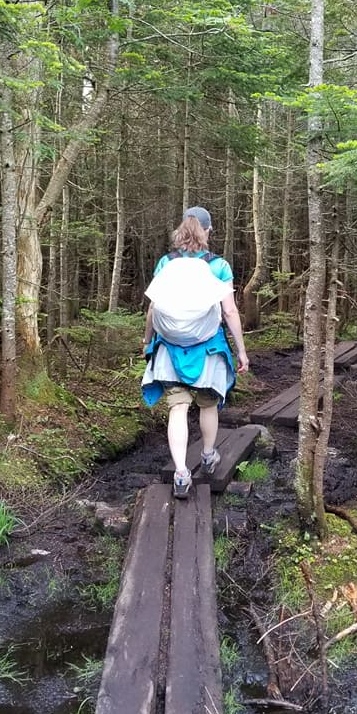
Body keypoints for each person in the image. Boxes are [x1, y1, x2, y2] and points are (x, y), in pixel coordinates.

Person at [141, 206, 249, 498]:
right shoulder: (218, 266)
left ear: (182, 229)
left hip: (169, 347)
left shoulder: (166, 262)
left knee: (178, 407)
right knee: (207, 404)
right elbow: (229, 310)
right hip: (209, 347)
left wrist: (147, 341)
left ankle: (180, 473)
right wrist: (241, 351)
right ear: (208, 231)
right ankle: (208, 455)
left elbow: (153, 308)